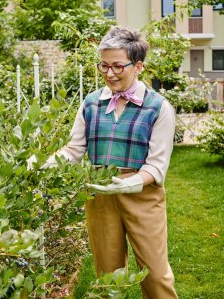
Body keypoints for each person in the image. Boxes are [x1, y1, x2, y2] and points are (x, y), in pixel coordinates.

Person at [27, 26, 178, 299]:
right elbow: (74, 148)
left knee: (155, 275)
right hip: (99, 194)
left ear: (138, 66)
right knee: (108, 278)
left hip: (142, 195)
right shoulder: (91, 103)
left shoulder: (158, 107)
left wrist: (129, 183)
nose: (109, 73)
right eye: (104, 66)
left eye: (118, 66)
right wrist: (44, 164)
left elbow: (157, 165)